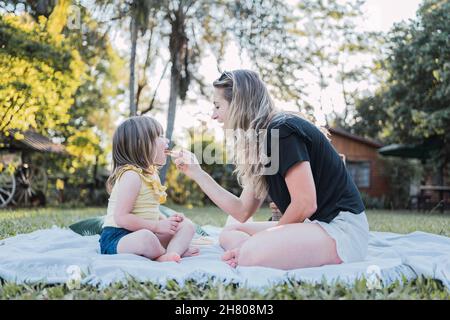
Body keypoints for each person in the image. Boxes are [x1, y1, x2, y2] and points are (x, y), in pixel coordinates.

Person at [173, 70, 369, 270]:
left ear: (239, 105)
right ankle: (249, 252)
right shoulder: (260, 140)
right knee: (230, 232)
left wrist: (267, 242)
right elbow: (242, 210)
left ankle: (251, 253)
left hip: (341, 231)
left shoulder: (281, 131)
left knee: (251, 252)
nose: (213, 115)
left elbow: (305, 203)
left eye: (217, 106)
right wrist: (196, 172)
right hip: (311, 226)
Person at [99, 116, 198, 262]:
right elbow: (121, 218)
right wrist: (157, 226)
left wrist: (169, 222)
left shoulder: (151, 175)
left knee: (187, 225)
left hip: (147, 231)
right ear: (142, 144)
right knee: (146, 238)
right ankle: (162, 255)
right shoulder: (131, 176)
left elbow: (150, 211)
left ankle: (172, 253)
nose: (167, 141)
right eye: (160, 136)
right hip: (119, 237)